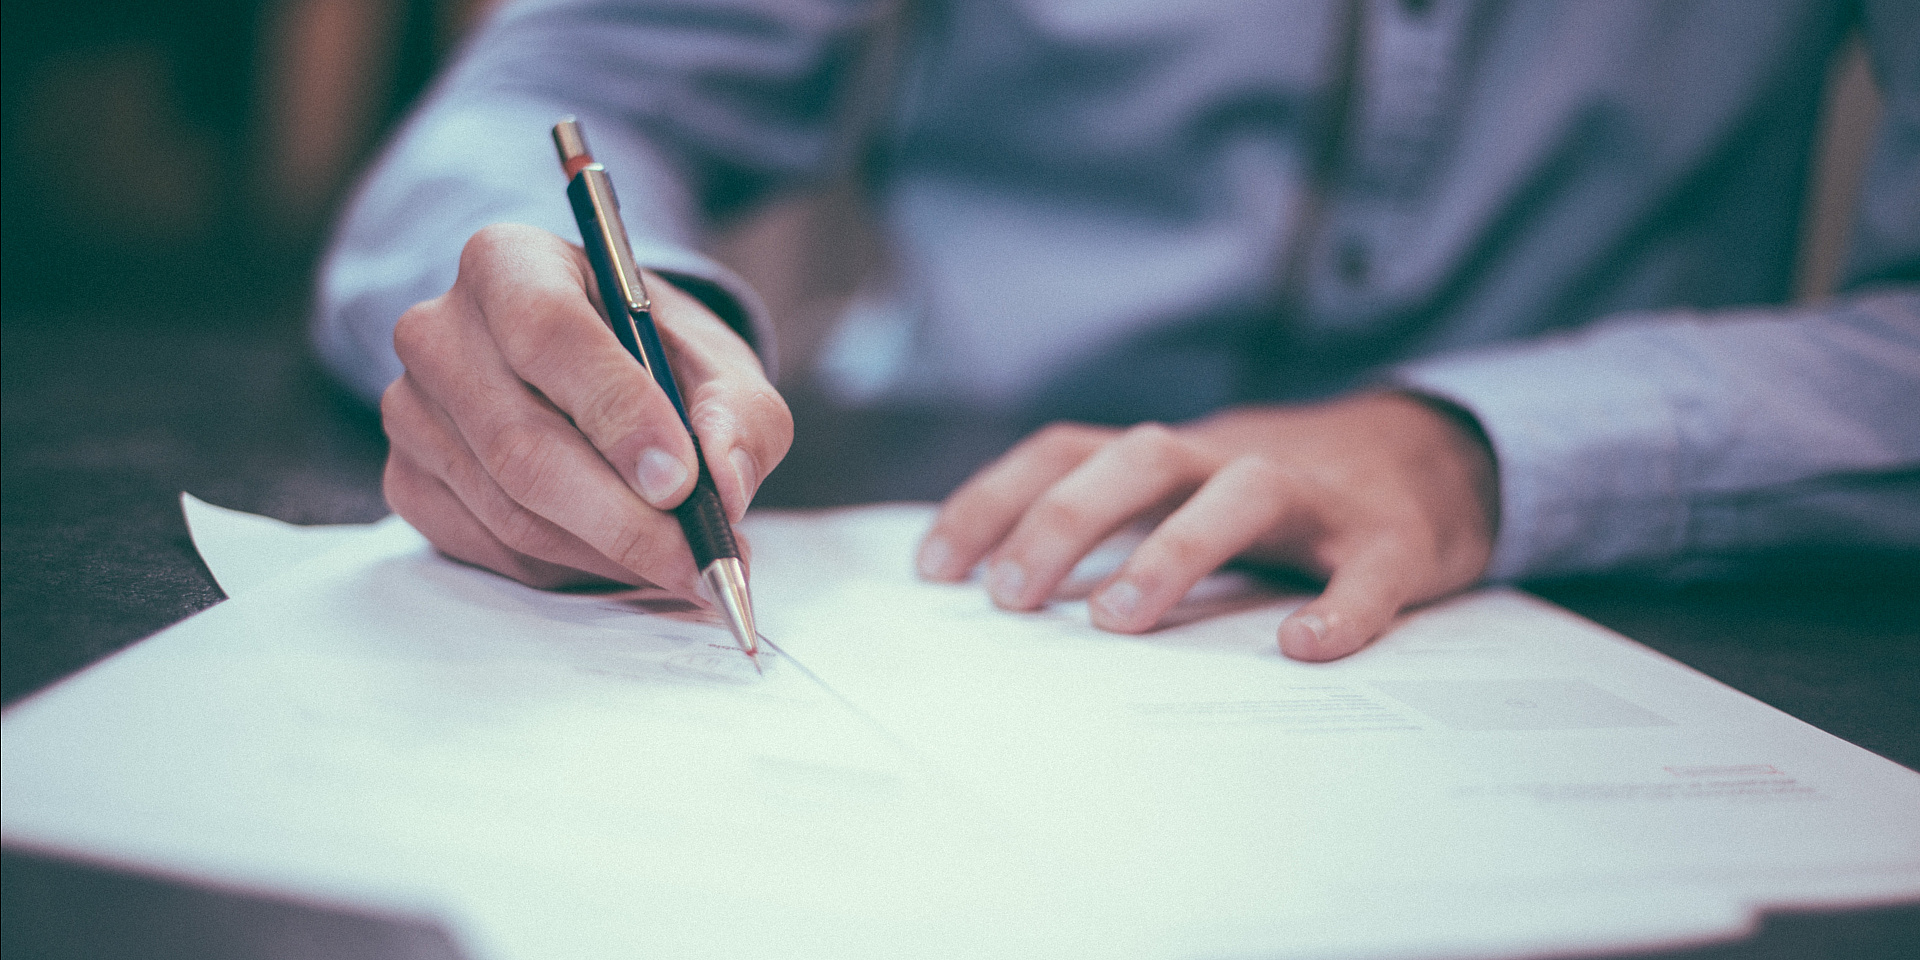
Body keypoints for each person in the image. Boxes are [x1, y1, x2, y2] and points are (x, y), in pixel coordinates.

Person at [316, 0, 1920, 661]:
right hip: (942, 543)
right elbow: (551, 96)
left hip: (1613, 603)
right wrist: (592, 334)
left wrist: (1478, 448)